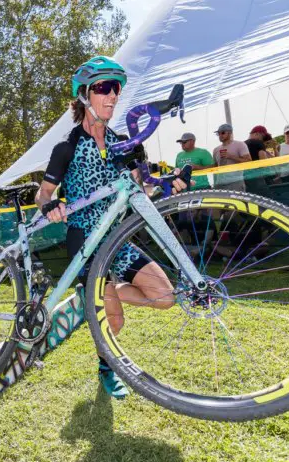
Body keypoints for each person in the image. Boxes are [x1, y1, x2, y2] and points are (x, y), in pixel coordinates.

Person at [35, 56, 188, 399]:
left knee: (165, 298)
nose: (113, 96)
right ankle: (106, 368)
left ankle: (100, 297)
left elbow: (141, 189)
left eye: (116, 88)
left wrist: (168, 183)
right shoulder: (68, 146)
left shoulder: (125, 144)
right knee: (113, 323)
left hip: (116, 239)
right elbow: (43, 192)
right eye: (104, 88)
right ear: (85, 96)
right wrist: (50, 206)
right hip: (85, 240)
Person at [212, 124, 251, 191]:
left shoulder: (240, 144)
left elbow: (249, 161)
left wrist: (231, 156)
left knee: (238, 201)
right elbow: (215, 167)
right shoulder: (216, 149)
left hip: (235, 182)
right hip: (220, 183)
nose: (220, 135)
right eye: (218, 133)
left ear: (230, 132)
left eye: (223, 132)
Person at [242, 125, 273, 196]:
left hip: (244, 179)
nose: (263, 141)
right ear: (257, 134)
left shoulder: (242, 144)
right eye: (263, 138)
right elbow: (263, 162)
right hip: (257, 177)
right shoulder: (258, 143)